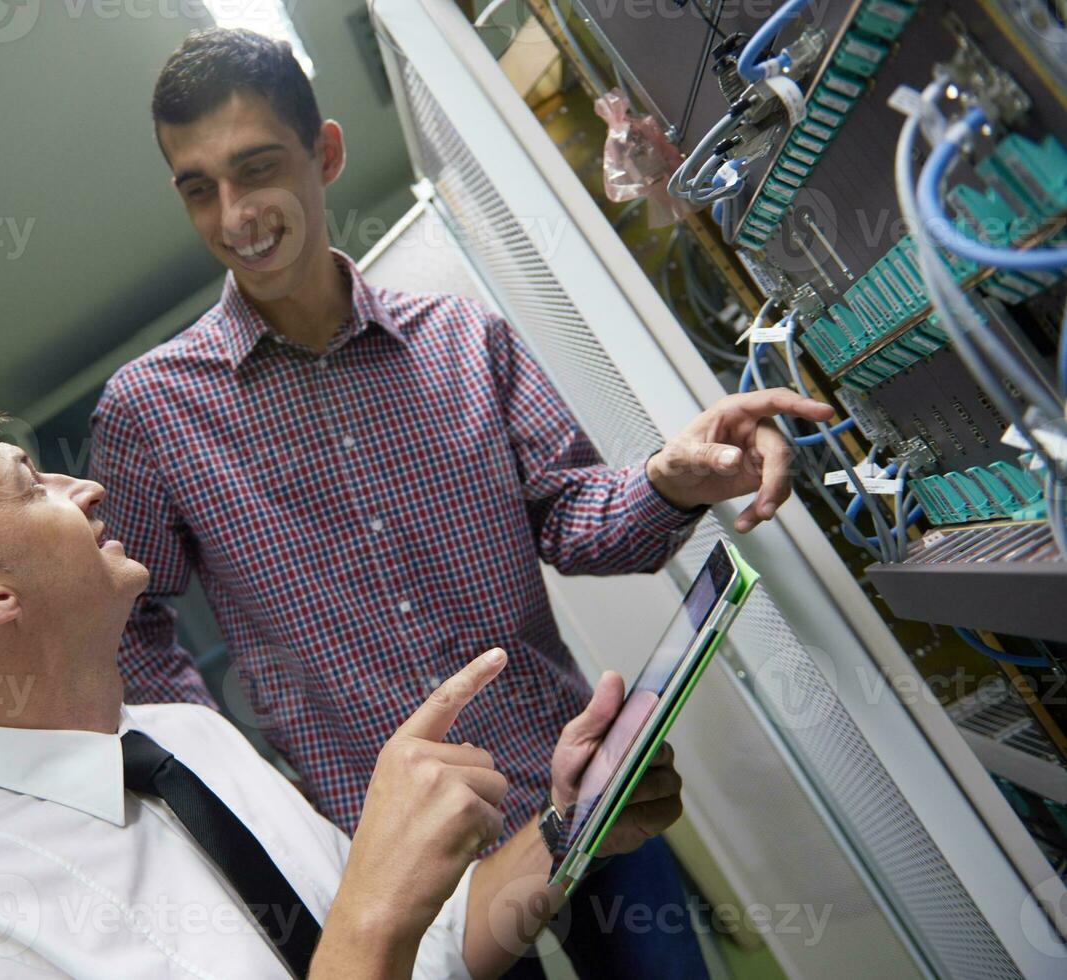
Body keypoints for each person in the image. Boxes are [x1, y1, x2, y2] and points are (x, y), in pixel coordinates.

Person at [88, 28, 837, 978]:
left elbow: (569, 514)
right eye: (200, 187)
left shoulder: (462, 340)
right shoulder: (151, 410)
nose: (234, 214)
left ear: (323, 153)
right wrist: (240, 776)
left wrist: (663, 481)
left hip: (576, 780)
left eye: (256, 168)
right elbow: (124, 623)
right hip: (398, 855)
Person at [0, 409, 684, 979]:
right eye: (32, 485)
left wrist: (571, 825)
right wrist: (370, 911)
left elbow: (432, 953)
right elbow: (370, 939)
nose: (83, 488)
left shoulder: (186, 740)